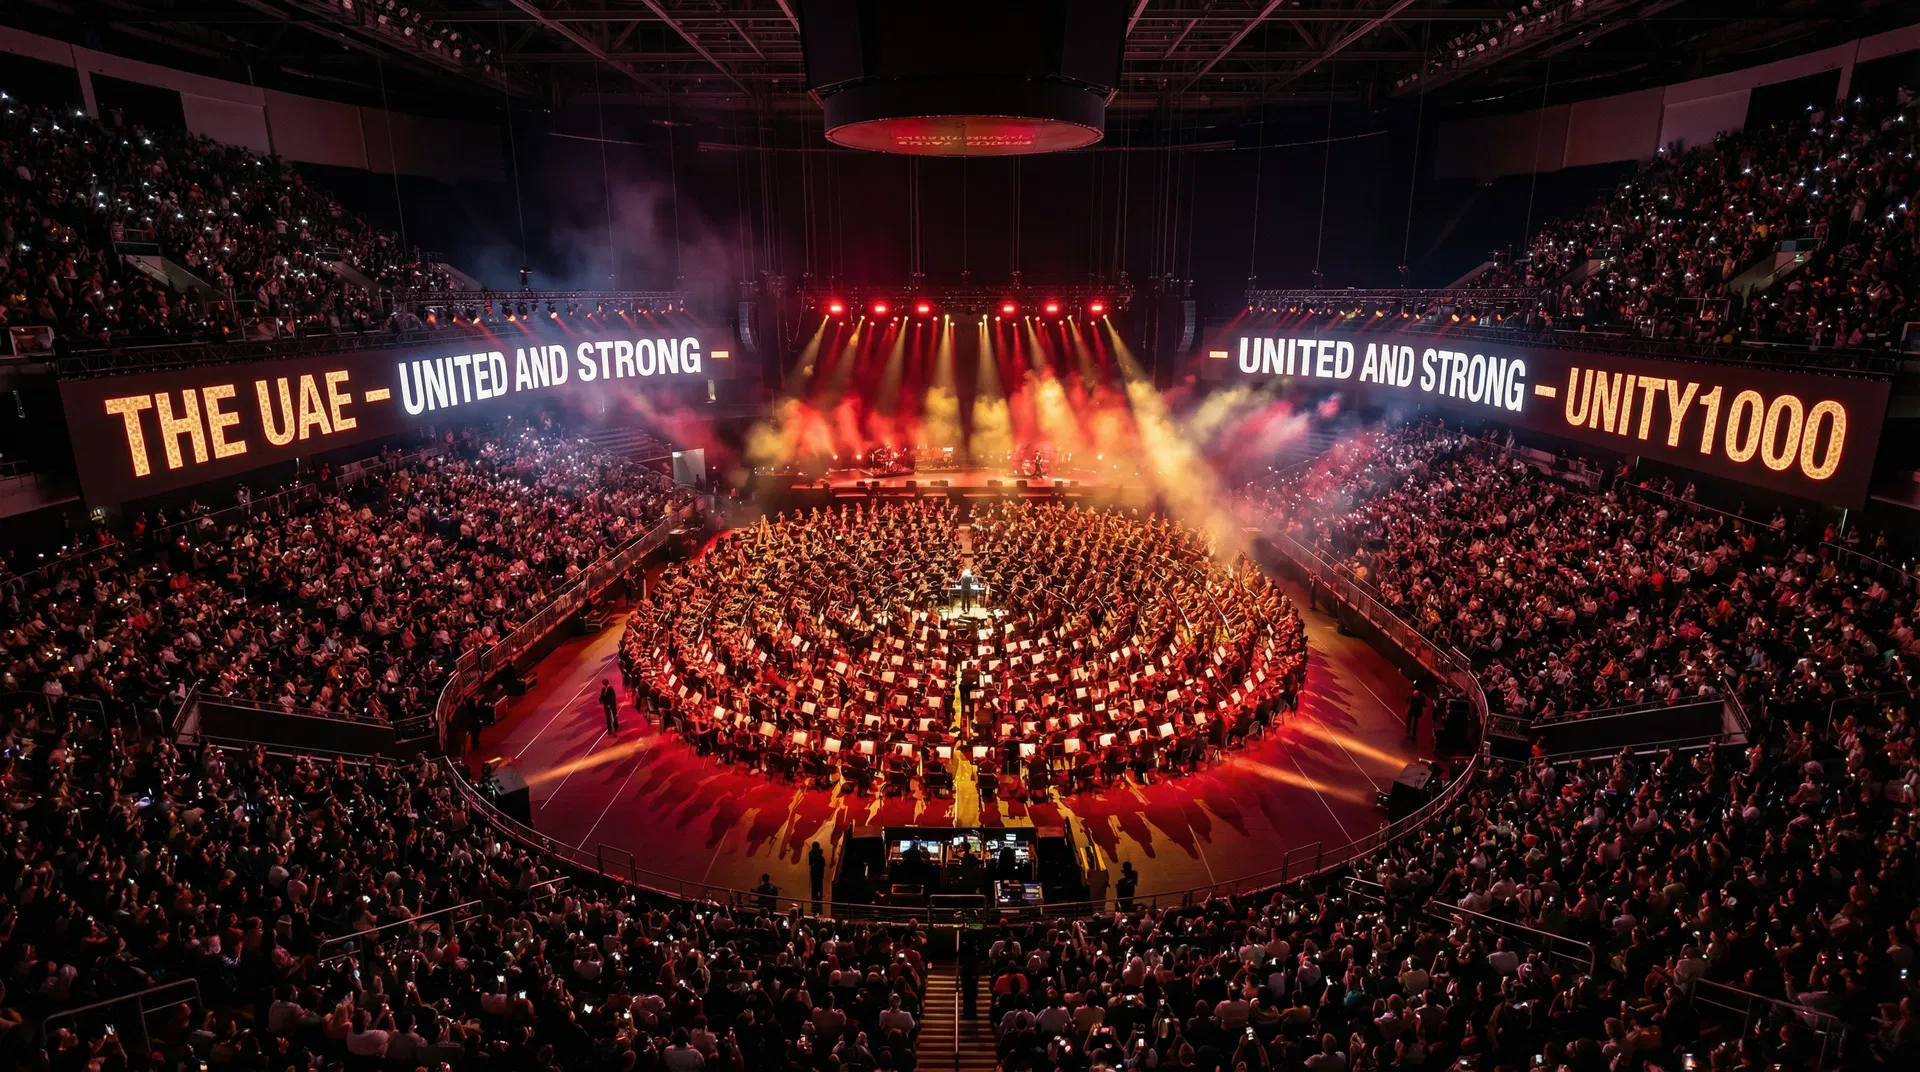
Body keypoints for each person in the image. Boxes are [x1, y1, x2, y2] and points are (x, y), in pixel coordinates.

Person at [808, 842, 827, 912]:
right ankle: (818, 909)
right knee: (818, 894)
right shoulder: (821, 857)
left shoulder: (812, 855)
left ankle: (815, 908)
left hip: (815, 877)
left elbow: (811, 863)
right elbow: (823, 864)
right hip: (819, 877)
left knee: (815, 894)